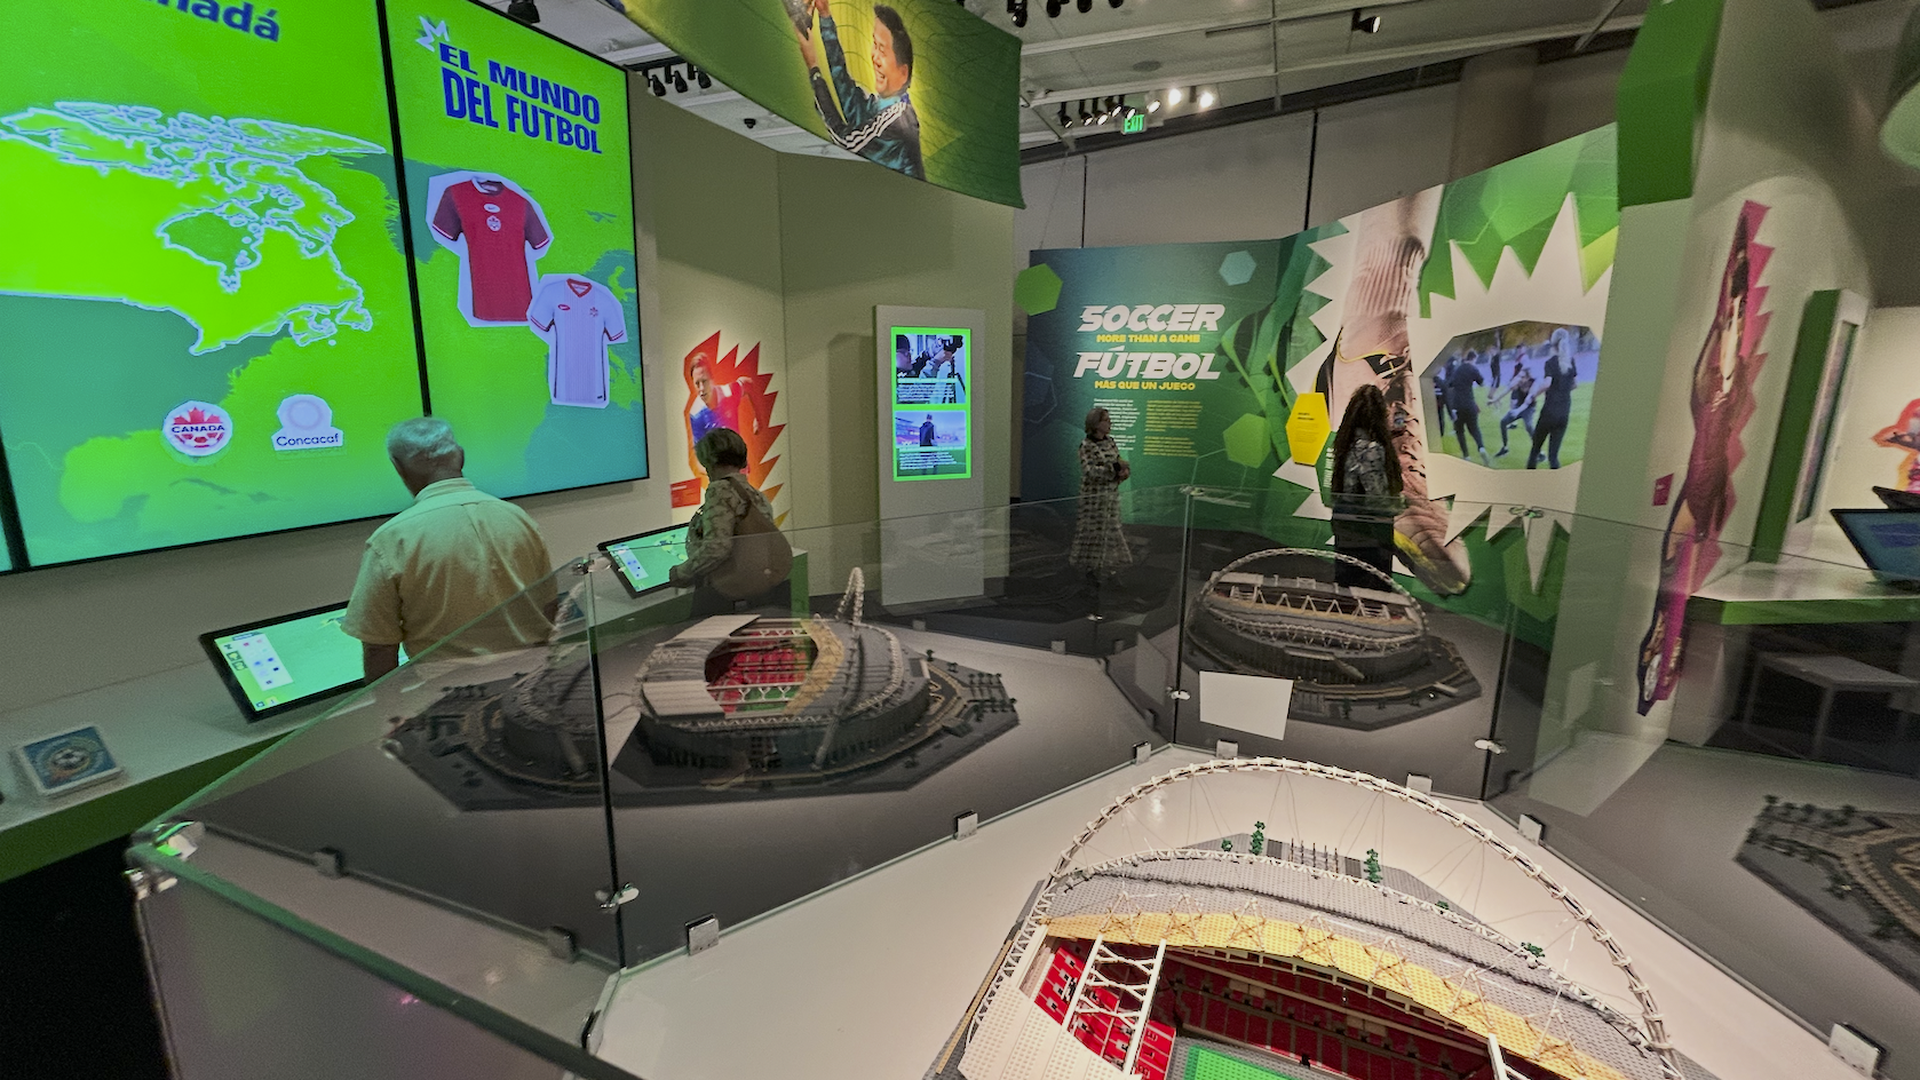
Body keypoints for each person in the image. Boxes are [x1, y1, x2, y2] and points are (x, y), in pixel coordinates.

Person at [343, 418, 555, 681]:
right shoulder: (518, 518)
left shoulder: (391, 539)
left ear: (398, 467)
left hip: (450, 698)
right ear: (461, 457)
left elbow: (378, 647)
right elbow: (548, 606)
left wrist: (389, 714)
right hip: (533, 683)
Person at [795, 1, 924, 180]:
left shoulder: (899, 121)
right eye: (874, 43)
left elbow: (844, 141)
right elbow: (845, 90)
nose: (874, 56)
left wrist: (813, 68)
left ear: (903, 73)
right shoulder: (878, 108)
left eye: (882, 50)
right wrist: (825, 18)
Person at [670, 428, 791, 618]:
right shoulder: (756, 495)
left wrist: (681, 572)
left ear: (709, 459)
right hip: (759, 589)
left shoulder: (719, 490)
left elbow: (717, 547)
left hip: (725, 592)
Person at [1330, 385, 1404, 588]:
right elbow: (1378, 499)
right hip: (1369, 532)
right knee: (1374, 592)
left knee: (1346, 587)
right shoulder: (1372, 449)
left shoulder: (1346, 442)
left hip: (1345, 524)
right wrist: (1400, 504)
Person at [1069, 406, 1132, 577]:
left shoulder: (1110, 441)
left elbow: (1118, 461)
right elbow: (1090, 471)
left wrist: (1123, 472)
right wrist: (1114, 469)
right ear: (1096, 423)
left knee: (1111, 531)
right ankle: (1089, 569)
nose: (1109, 423)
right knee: (1092, 533)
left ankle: (1109, 568)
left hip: (1110, 497)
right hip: (1093, 501)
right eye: (1106, 420)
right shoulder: (1086, 445)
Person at [1528, 329, 1578, 470]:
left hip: (1549, 412)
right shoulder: (1571, 362)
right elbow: (1575, 384)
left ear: (1553, 343)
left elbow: (1547, 384)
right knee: (1553, 457)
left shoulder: (1550, 363)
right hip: (1564, 413)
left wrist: (1533, 395)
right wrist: (1563, 390)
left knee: (1535, 451)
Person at [1445, 349, 1490, 464]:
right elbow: (1482, 383)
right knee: (1474, 428)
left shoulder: (1458, 369)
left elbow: (1450, 384)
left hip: (1457, 405)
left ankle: (1466, 456)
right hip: (1470, 404)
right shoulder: (1473, 369)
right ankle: (1481, 447)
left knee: (1459, 431)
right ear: (1474, 358)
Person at [689, 355, 740, 446]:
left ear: (711, 378)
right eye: (697, 384)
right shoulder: (696, 415)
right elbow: (701, 453)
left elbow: (748, 384)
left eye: (704, 381)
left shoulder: (729, 392)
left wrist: (758, 418)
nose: (702, 388)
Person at [1495, 357, 1537, 457]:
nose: (1521, 379)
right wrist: (1496, 399)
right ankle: (1505, 448)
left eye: (1523, 377)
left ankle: (1539, 451)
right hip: (1518, 408)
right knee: (1503, 422)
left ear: (1528, 377)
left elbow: (1528, 401)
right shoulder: (1518, 382)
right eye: (1520, 376)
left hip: (1528, 409)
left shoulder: (1534, 383)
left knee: (1529, 426)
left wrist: (1518, 410)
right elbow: (1508, 389)